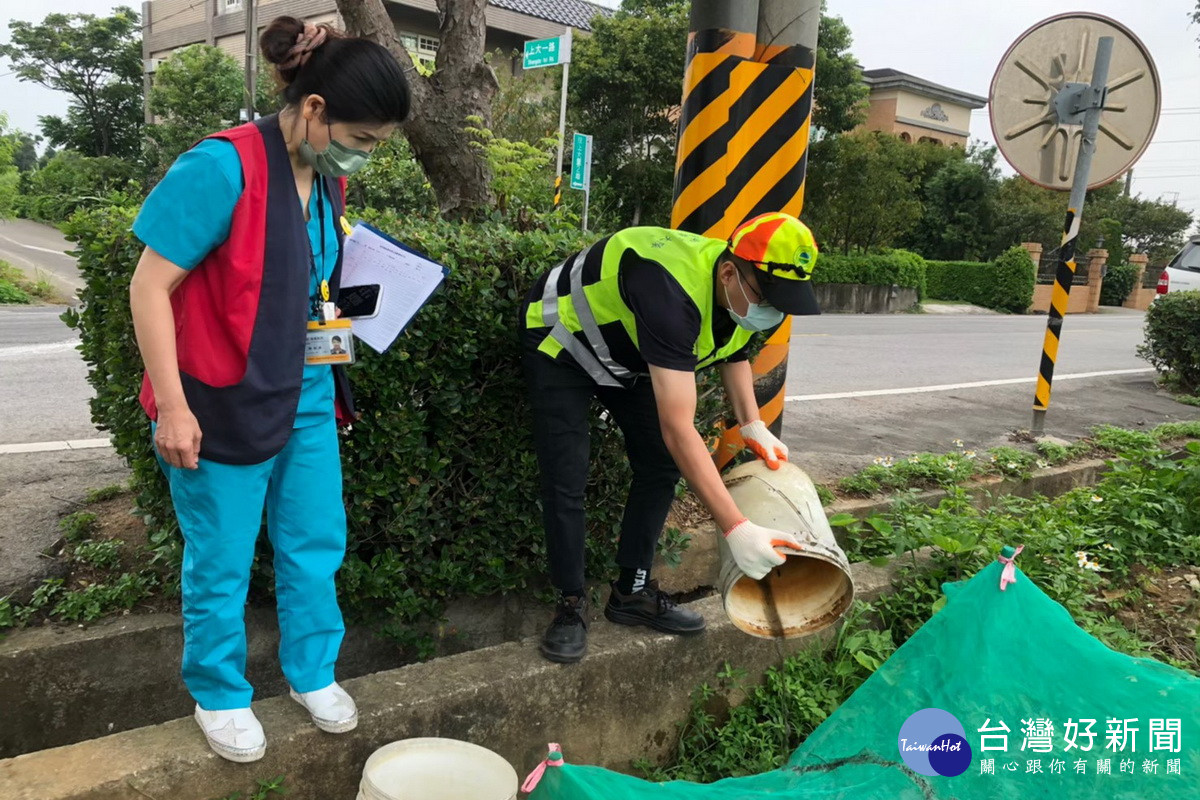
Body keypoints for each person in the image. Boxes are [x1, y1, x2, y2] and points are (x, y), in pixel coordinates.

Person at [128, 17, 409, 762]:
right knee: (219, 556)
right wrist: (175, 408)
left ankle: (312, 671)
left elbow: (300, 281)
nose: (365, 155)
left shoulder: (327, 180)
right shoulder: (221, 168)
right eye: (363, 137)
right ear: (314, 110)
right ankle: (218, 691)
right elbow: (149, 288)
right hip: (215, 401)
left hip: (304, 393)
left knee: (315, 541)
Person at [522, 213, 820, 663]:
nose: (774, 312)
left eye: (785, 302)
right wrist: (736, 528)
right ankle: (569, 604)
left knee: (659, 466)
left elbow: (734, 349)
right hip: (561, 344)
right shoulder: (668, 291)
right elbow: (679, 428)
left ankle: (631, 593)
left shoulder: (738, 290)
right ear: (727, 272)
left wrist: (751, 423)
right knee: (567, 477)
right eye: (770, 298)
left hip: (627, 353)